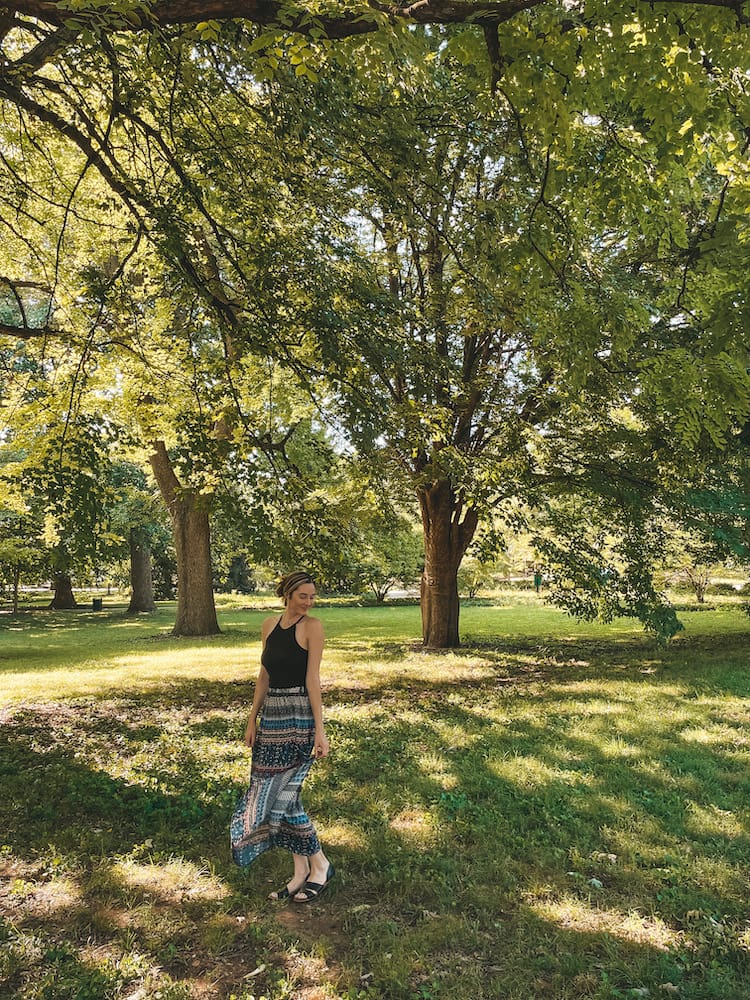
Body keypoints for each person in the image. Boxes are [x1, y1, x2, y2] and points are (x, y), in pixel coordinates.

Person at [230, 571, 335, 903]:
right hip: (271, 717)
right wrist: (252, 720)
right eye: (303, 596)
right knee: (278, 795)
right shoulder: (268, 625)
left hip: (298, 717)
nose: (308, 602)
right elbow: (264, 675)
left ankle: (319, 865)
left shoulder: (312, 628)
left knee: (285, 794)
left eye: (312, 597)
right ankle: (302, 871)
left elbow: (313, 680)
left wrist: (320, 729)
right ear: (287, 595)